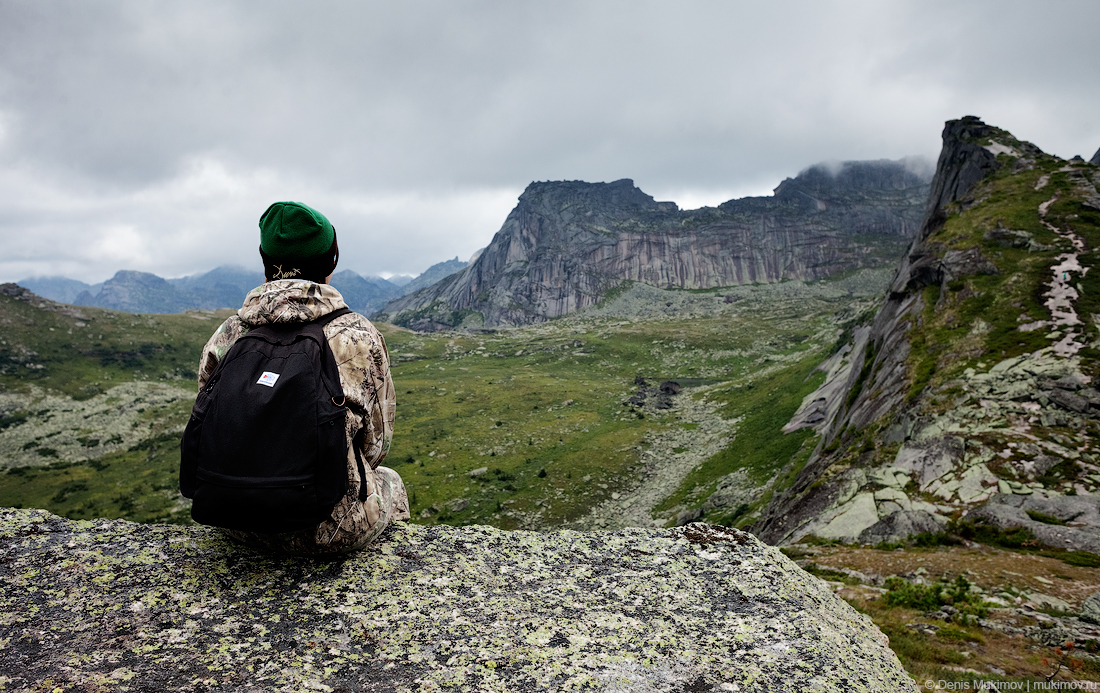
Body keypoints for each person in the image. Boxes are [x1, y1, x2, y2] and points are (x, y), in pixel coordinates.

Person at [195, 201, 409, 554]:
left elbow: (207, 421)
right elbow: (376, 445)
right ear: (331, 261)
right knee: (390, 482)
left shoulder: (229, 332)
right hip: (330, 527)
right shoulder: (357, 335)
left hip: (234, 521)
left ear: (265, 261)